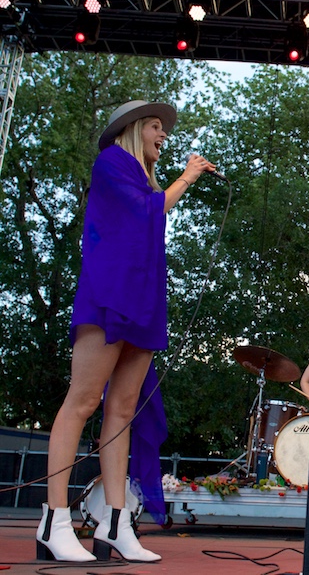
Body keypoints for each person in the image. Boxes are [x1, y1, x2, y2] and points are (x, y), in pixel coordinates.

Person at [36, 100, 217, 563]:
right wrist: (188, 176)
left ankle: (115, 522)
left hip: (143, 298)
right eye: (157, 127)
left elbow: (150, 216)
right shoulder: (112, 161)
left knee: (122, 412)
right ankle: (53, 521)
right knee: (83, 400)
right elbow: (144, 214)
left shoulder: (142, 175)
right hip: (109, 293)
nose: (164, 135)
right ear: (134, 128)